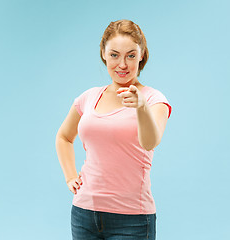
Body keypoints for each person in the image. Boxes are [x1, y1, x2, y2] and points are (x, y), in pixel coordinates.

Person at [55, 19, 172, 240]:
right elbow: (63, 137)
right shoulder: (88, 97)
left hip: (133, 220)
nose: (122, 65)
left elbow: (150, 142)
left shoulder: (154, 100)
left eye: (130, 55)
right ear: (103, 54)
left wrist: (141, 107)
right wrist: (70, 176)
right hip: (84, 214)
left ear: (142, 55)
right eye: (114, 55)